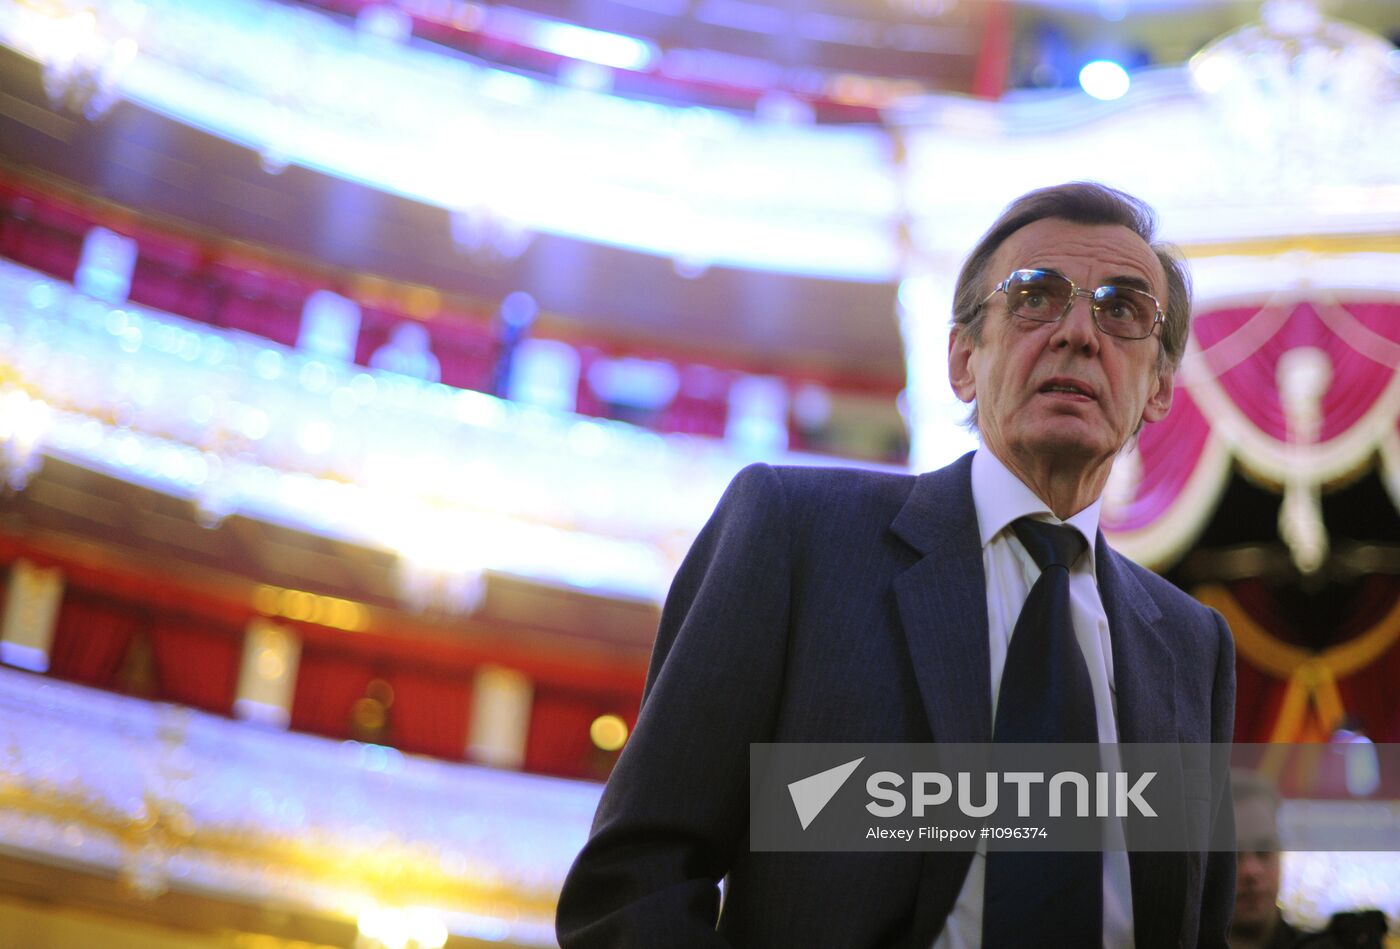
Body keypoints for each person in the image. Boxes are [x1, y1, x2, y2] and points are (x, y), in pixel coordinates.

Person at [556, 182, 1237, 948]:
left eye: (1122, 310)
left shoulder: (1192, 647)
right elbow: (637, 877)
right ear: (962, 359)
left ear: (1159, 388)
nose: (1079, 332)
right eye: (1036, 298)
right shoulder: (796, 532)